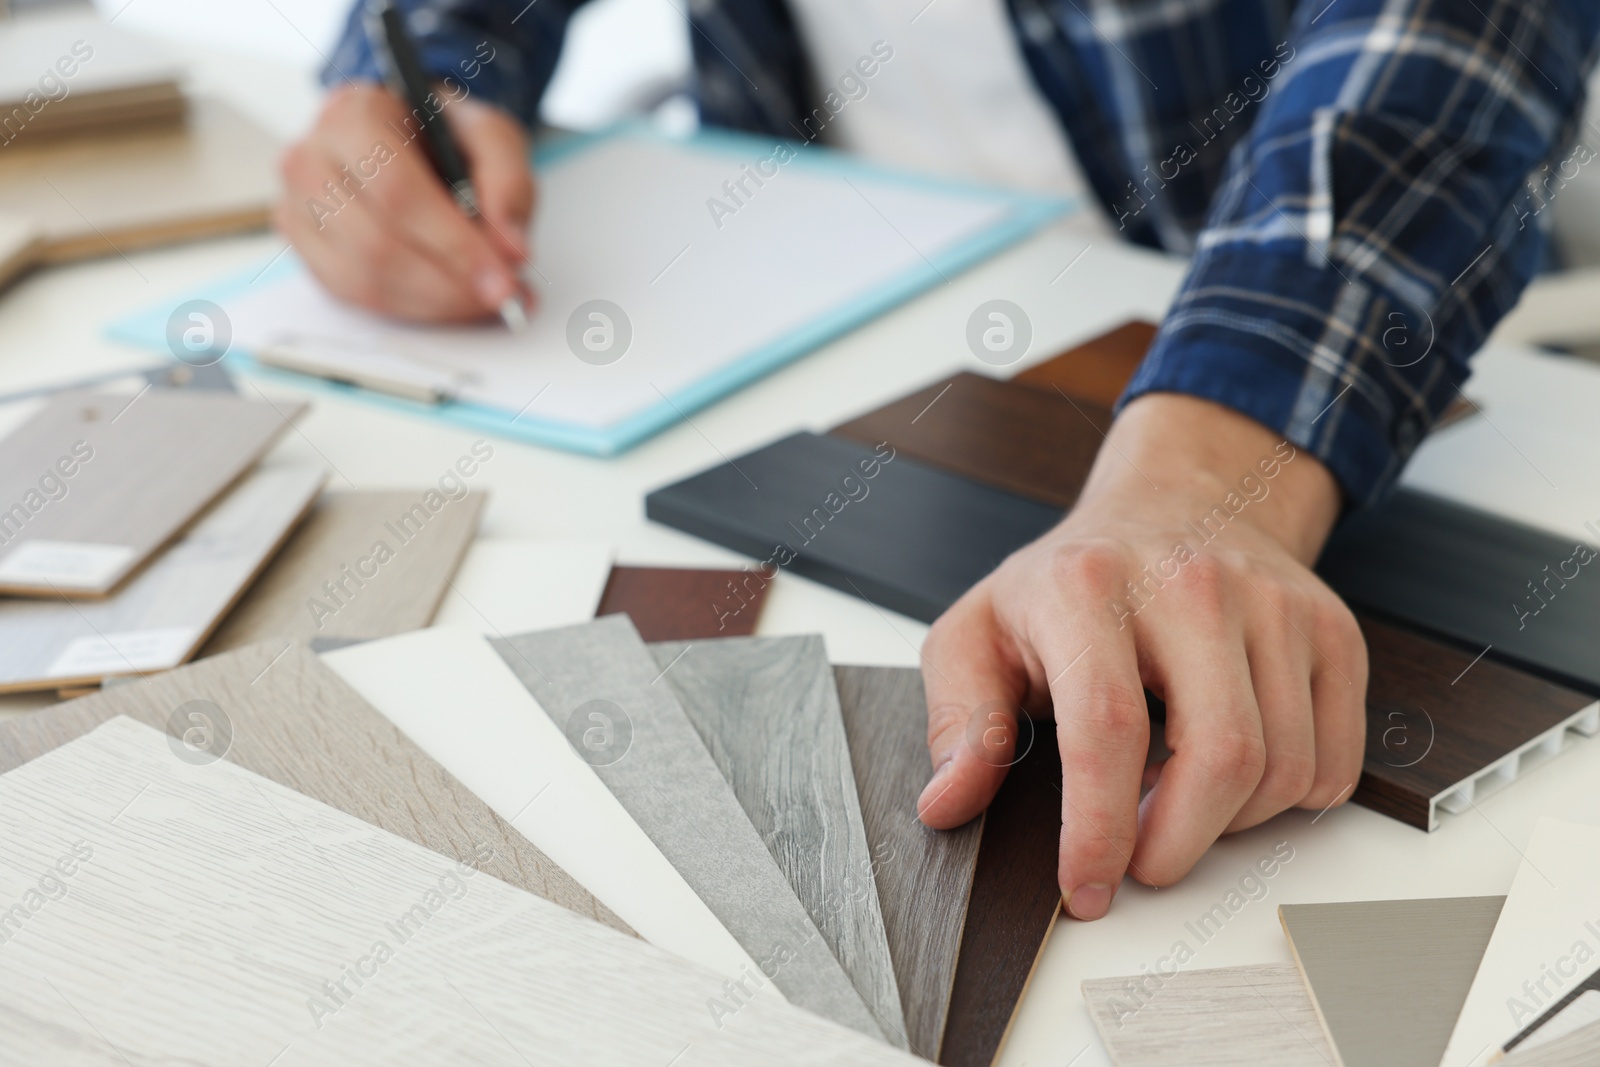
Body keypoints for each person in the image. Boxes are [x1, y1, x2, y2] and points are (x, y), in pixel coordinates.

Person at [280, 0, 1600, 921]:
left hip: (1215, 281)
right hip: (819, 281)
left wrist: (1203, 480)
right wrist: (419, 76)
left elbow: (1442, 36)